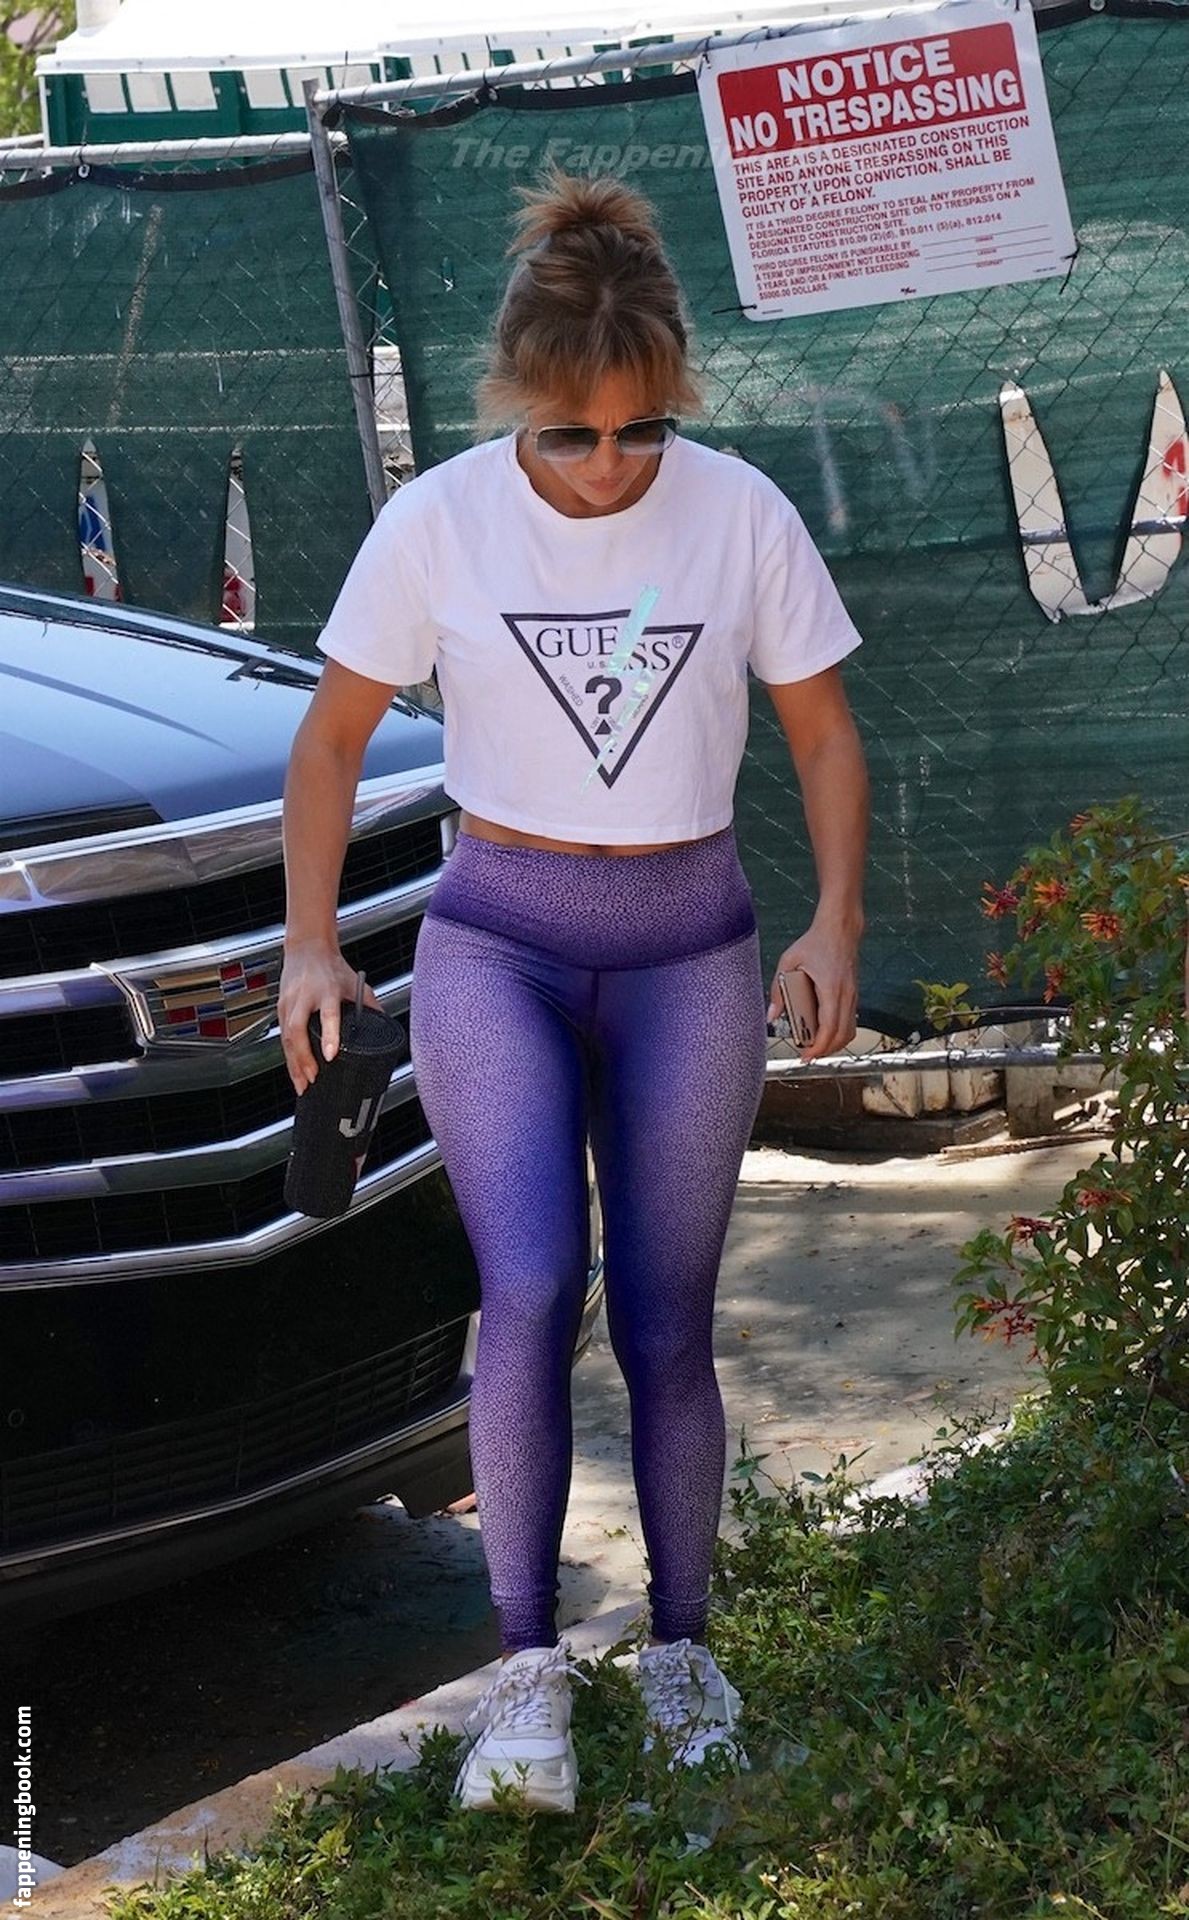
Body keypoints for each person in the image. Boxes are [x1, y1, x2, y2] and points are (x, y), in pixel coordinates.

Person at [279, 164, 869, 1815]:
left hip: (691, 949)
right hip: (500, 945)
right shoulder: (439, 518)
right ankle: (525, 1675)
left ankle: (682, 1654)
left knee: (670, 1317)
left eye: (639, 430)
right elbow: (329, 742)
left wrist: (833, 922)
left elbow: (824, 735)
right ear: (514, 401)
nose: (607, 464)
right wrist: (310, 941)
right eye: (569, 434)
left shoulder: (738, 512)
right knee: (532, 1287)